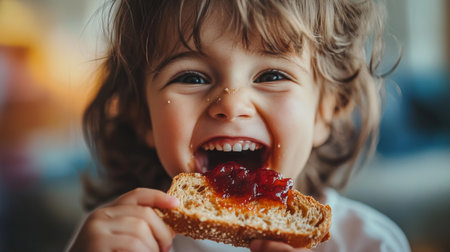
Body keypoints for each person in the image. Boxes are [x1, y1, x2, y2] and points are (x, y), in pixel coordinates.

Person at [67, 0, 410, 251]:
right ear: (142, 115)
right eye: (191, 77)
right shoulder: (120, 242)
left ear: (326, 109)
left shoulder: (370, 242)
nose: (231, 104)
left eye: (272, 75)